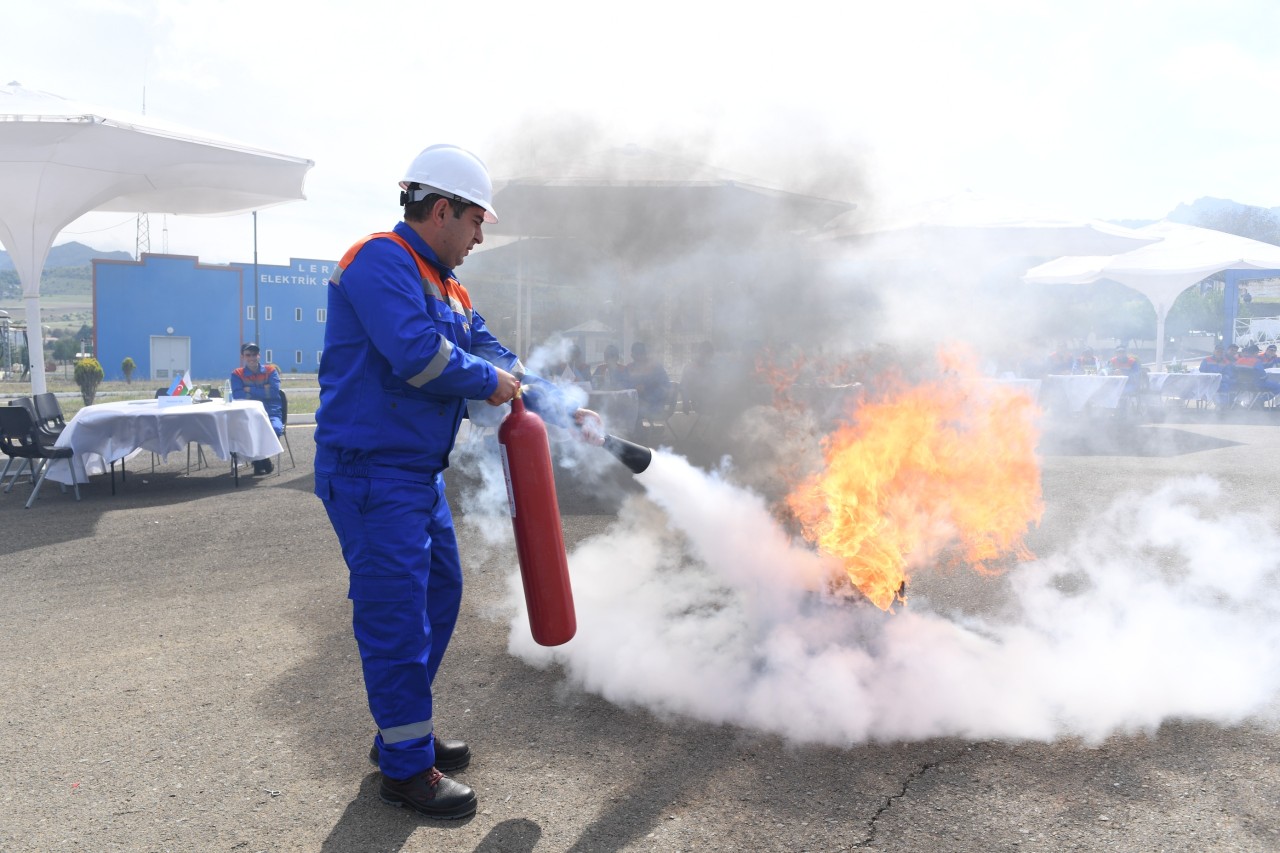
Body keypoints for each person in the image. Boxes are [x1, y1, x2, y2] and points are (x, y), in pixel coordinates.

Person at [312, 144, 601, 821]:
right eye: (475, 222)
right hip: (371, 473)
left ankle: (401, 730)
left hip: (414, 477)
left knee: (438, 595)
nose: (478, 237)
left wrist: (560, 404)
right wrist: (485, 379)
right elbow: (418, 354)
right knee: (396, 617)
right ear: (441, 209)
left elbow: (497, 357)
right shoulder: (380, 259)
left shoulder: (449, 286)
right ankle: (407, 769)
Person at [230, 342, 283, 475]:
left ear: (259, 355)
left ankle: (260, 460)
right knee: (243, 431)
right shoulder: (237, 374)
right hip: (248, 414)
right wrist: (263, 389)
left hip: (271, 411)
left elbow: (274, 392)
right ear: (243, 356)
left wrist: (249, 390)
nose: (252, 357)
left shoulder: (271, 371)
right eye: (248, 355)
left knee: (276, 429)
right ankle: (263, 460)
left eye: (255, 354)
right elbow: (237, 395)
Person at [625, 341, 672, 424]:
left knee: (632, 411)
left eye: (641, 354)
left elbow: (665, 388)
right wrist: (634, 388)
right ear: (632, 356)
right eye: (636, 356)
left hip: (654, 406)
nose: (639, 358)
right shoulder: (629, 368)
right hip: (634, 404)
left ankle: (638, 434)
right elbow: (625, 385)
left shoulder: (656, 368)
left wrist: (648, 399)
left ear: (645, 354)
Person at [680, 341, 716, 414]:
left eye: (709, 354)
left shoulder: (713, 368)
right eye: (704, 353)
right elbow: (684, 387)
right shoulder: (690, 368)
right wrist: (686, 403)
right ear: (700, 353)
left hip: (714, 401)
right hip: (699, 402)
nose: (707, 357)